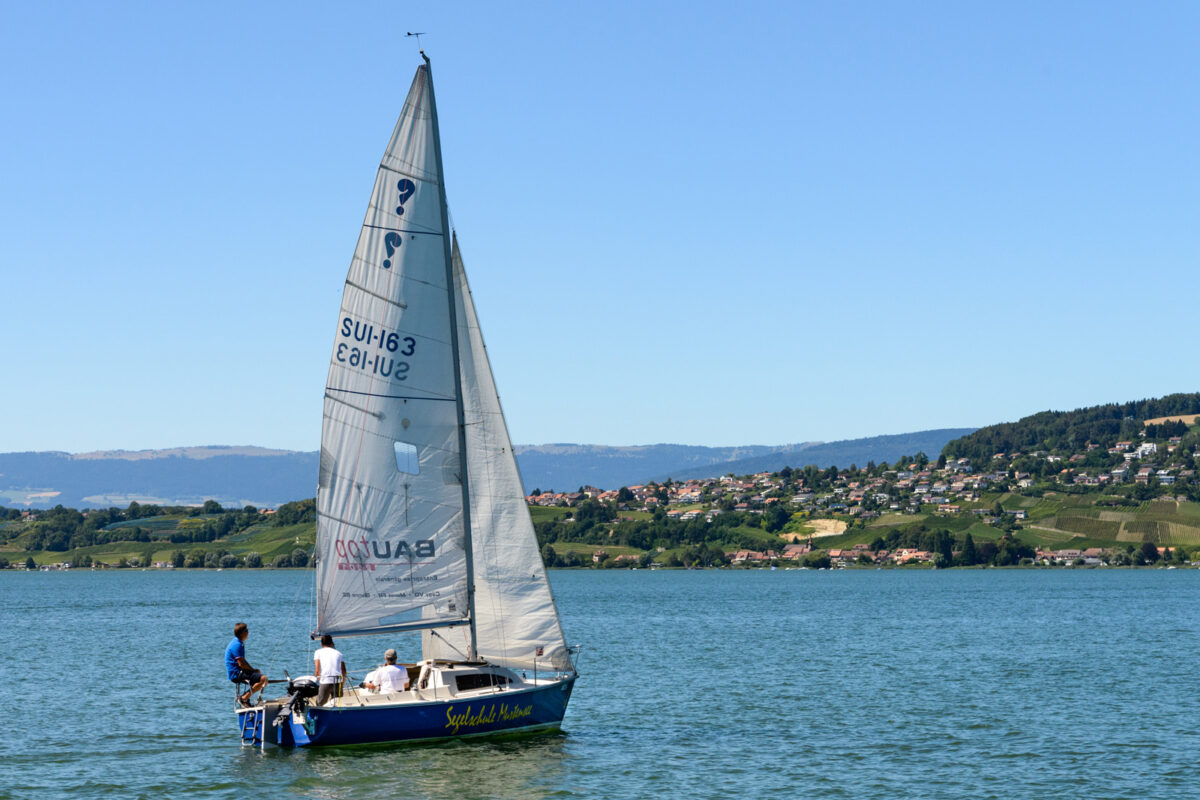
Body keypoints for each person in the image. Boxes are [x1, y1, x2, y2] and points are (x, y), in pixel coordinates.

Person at [225, 622, 268, 707]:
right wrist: (253, 670)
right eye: (247, 631)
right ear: (242, 633)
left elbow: (243, 661)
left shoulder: (238, 642)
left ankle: (245, 698)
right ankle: (244, 698)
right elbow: (241, 664)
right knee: (263, 679)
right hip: (236, 674)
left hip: (239, 671)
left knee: (260, 677)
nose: (248, 632)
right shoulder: (236, 644)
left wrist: (254, 670)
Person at [313, 634, 346, 706]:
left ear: (321, 644)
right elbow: (344, 671)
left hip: (325, 681)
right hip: (338, 681)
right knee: (338, 704)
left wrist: (319, 681)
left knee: (320, 704)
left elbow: (317, 671)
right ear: (332, 643)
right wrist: (342, 683)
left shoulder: (318, 652)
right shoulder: (339, 653)